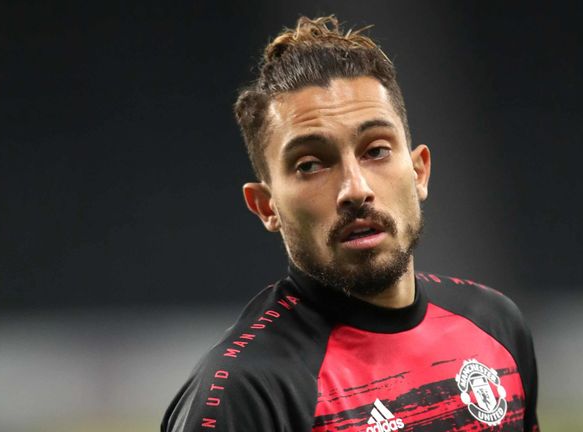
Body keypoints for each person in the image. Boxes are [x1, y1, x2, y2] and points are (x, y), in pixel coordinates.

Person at [162, 15, 539, 432]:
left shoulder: (496, 327)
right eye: (310, 165)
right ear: (266, 206)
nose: (355, 190)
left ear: (418, 172)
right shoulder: (248, 393)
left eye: (375, 150)